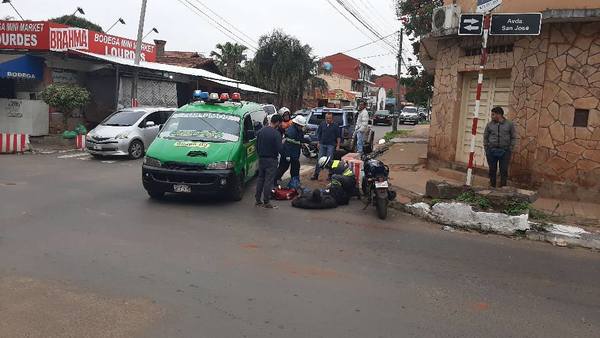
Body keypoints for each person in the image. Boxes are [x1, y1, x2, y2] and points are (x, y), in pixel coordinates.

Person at [484, 106, 517, 188]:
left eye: (493, 115)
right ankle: (492, 187)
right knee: (492, 170)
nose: (491, 116)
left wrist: (510, 148)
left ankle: (503, 188)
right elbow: (485, 136)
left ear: (499, 115)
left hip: (505, 151)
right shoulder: (489, 125)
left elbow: (513, 137)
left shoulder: (509, 124)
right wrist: (486, 148)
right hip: (491, 151)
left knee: (504, 171)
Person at [255, 114, 283, 208]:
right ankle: (266, 201)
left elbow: (257, 145)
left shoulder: (260, 131)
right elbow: (280, 148)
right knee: (268, 181)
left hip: (261, 158)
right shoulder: (276, 134)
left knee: (260, 179)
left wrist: (259, 154)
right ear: (278, 122)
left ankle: (258, 200)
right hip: (271, 160)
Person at [276, 115, 308, 187]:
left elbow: (299, 140)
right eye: (301, 126)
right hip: (288, 153)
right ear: (297, 124)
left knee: (295, 167)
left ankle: (295, 181)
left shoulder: (298, 130)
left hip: (294, 153)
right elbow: (287, 145)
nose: (302, 127)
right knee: (283, 167)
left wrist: (306, 142)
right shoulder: (291, 131)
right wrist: (287, 155)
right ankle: (274, 179)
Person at [311, 112, 341, 180]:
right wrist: (318, 142)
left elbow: (338, 136)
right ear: (325, 118)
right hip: (322, 144)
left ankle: (330, 175)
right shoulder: (322, 124)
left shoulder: (336, 125)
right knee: (319, 160)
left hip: (331, 145)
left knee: (330, 160)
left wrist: (338, 145)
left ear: (332, 118)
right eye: (327, 118)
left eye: (329, 118)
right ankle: (316, 174)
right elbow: (319, 134)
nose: (328, 119)